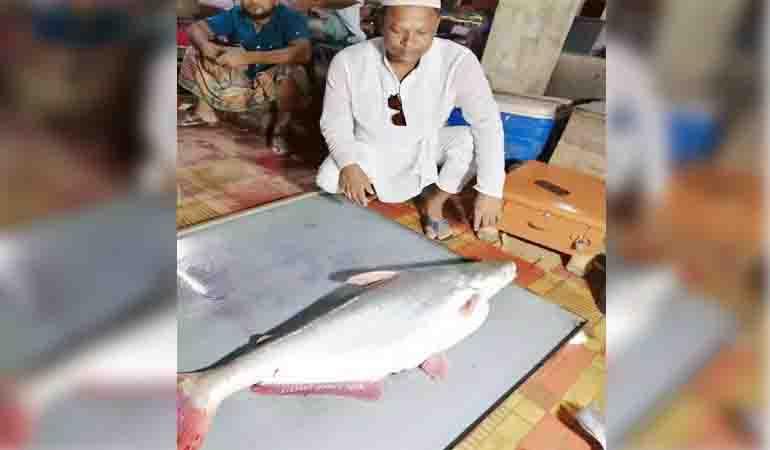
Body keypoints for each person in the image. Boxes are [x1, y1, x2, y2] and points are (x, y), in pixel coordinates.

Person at [316, 0, 504, 241]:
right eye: (397, 30)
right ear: (380, 22)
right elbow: (334, 121)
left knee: (470, 141)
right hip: (371, 146)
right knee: (328, 179)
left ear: (436, 24)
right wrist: (350, 166)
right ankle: (373, 185)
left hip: (425, 146)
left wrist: (490, 190)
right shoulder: (349, 61)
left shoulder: (458, 60)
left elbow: (487, 122)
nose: (409, 42)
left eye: (421, 32)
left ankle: (434, 204)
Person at [179, 0, 312, 153]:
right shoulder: (236, 14)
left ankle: (280, 130)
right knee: (195, 50)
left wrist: (246, 57)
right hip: (244, 84)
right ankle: (205, 114)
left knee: (291, 70)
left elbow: (303, 52)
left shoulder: (290, 17)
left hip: (274, 86)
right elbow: (196, 29)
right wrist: (206, 46)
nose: (254, 1)